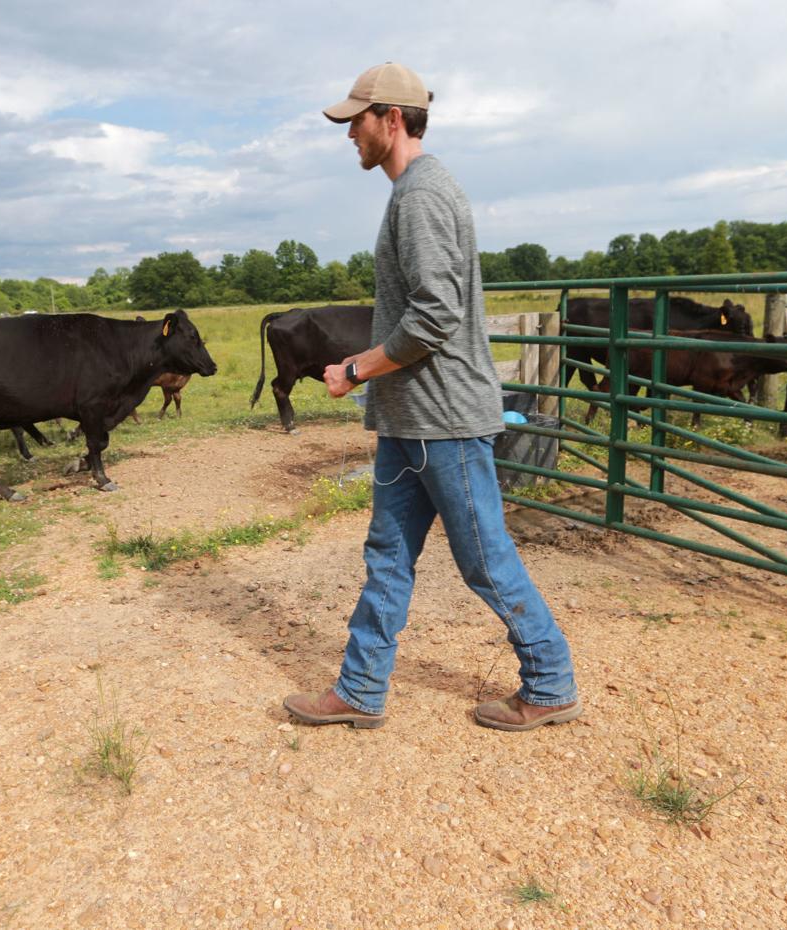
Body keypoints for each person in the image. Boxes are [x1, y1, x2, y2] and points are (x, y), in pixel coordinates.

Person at [282, 62, 580, 732]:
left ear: (391, 119)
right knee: (387, 555)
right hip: (411, 421)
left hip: (443, 423)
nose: (348, 134)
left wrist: (356, 370)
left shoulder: (420, 196)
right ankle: (360, 687)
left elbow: (433, 315)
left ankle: (552, 681)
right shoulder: (414, 192)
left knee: (484, 560)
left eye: (355, 120)